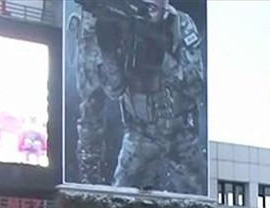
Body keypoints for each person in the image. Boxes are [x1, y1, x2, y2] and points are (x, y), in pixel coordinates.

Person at [75, 0, 206, 192]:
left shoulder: (180, 24)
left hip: (180, 135)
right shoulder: (123, 25)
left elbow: (195, 86)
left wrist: (163, 57)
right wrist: (108, 52)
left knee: (197, 200)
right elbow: (114, 90)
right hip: (140, 134)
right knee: (119, 200)